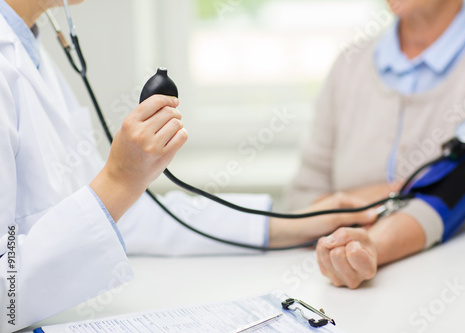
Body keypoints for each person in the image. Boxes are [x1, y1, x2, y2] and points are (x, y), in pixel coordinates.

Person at [0, 0, 377, 331]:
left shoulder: (30, 50)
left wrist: (287, 224)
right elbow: (6, 292)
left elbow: (118, 216)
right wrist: (120, 178)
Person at [284, 0, 465, 289]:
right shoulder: (349, 65)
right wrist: (374, 203)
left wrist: (370, 244)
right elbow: (300, 202)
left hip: (454, 293)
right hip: (338, 300)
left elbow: (457, 187)